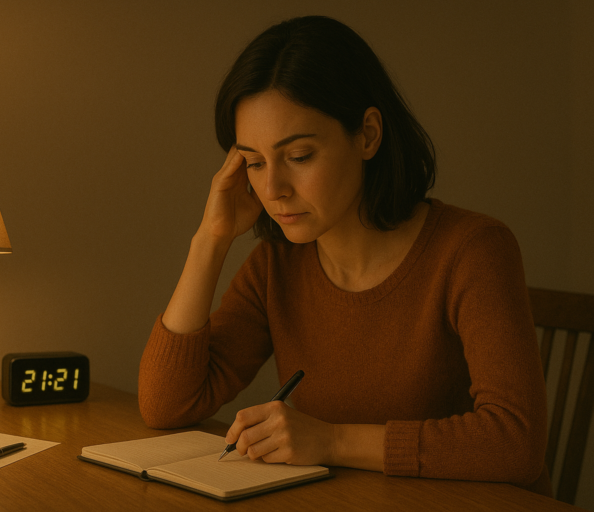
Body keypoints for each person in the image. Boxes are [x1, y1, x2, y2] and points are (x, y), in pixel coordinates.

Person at [138, 15, 550, 495]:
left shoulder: (472, 249)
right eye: (253, 162)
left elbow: (516, 443)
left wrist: (331, 441)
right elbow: (166, 404)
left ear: (368, 134)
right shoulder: (278, 265)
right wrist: (210, 239)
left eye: (299, 156)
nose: (273, 189)